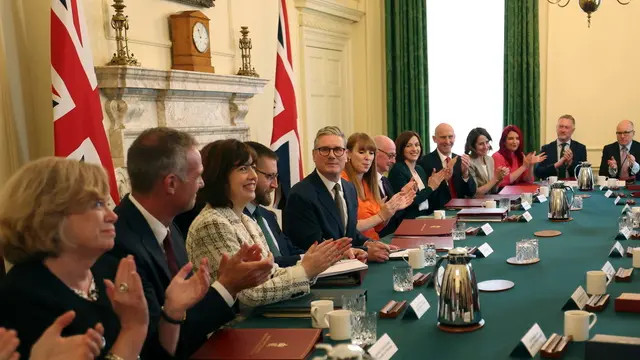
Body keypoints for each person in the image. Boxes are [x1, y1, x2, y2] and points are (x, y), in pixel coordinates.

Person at [97, 127, 275, 358]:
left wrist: (226, 284)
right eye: (197, 176)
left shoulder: (169, 227)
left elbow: (188, 315)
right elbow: (157, 345)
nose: (202, 184)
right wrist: (227, 286)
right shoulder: (120, 246)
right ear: (171, 183)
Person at [0, 157, 150, 359]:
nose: (112, 215)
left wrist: (174, 312)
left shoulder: (111, 270)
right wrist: (133, 328)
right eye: (98, 204)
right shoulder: (22, 296)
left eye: (106, 203)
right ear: (51, 215)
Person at [187, 139, 350, 307]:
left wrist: (313, 265)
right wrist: (305, 270)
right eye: (243, 169)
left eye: (252, 168)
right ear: (220, 176)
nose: (253, 176)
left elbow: (272, 273)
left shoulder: (247, 221)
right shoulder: (212, 223)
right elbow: (248, 295)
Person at [284, 126, 392, 262]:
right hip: (322, 276)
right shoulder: (301, 194)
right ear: (313, 155)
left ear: (346, 155)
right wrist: (365, 251)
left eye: (337, 150)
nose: (331, 155)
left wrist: (369, 243)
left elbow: (350, 233)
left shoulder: (349, 188)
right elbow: (314, 246)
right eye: (324, 149)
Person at [241, 141, 309, 267]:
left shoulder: (267, 216)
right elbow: (263, 265)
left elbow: (289, 252)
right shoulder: (235, 218)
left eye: (276, 177)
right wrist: (308, 259)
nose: (275, 185)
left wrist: (334, 254)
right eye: (269, 177)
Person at [341, 133, 415, 240]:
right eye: (361, 152)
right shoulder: (342, 182)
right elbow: (348, 227)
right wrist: (381, 215)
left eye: (371, 153)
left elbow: (379, 227)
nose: (367, 158)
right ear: (348, 154)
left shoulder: (367, 182)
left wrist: (391, 208)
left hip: (375, 241)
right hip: (359, 247)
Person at [418, 123, 477, 210]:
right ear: (434, 139)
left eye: (450, 137)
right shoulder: (424, 162)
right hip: (437, 213)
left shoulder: (460, 160)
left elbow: (471, 192)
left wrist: (465, 174)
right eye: (443, 137)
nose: (447, 141)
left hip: (461, 211)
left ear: (454, 137)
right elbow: (426, 196)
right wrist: (444, 180)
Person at [388, 131, 446, 218]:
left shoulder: (419, 169)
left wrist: (436, 183)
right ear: (401, 148)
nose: (414, 149)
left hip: (426, 215)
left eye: (417, 145)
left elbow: (427, 197)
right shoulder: (398, 169)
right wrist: (430, 188)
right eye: (408, 146)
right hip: (409, 220)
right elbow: (409, 201)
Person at [535, 115, 587, 179]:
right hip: (551, 186)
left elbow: (583, 174)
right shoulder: (546, 148)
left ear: (572, 130)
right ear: (556, 128)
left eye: (566, 127)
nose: (563, 130)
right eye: (561, 126)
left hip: (573, 187)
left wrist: (570, 162)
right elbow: (538, 173)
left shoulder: (580, 148)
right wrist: (556, 165)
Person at [373, 135, 406, 237]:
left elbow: (395, 216)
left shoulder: (385, 180)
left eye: (394, 156)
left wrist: (401, 197)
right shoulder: (363, 183)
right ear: (376, 153)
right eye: (390, 155)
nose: (393, 161)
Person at [465, 127, 510, 196]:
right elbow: (475, 193)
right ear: (472, 146)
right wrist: (495, 178)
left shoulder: (489, 160)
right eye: (481, 144)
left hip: (489, 202)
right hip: (475, 203)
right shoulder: (469, 162)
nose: (486, 146)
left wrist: (499, 178)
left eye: (487, 142)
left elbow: (493, 190)